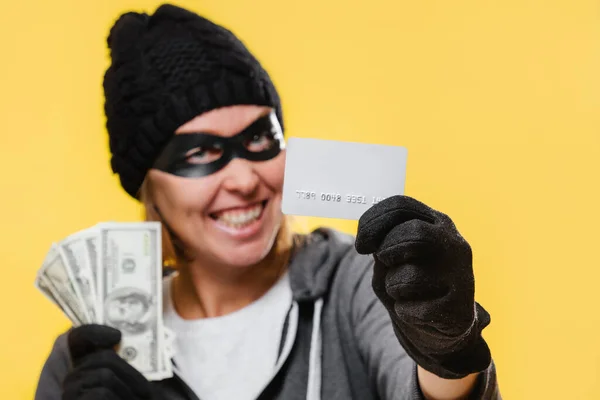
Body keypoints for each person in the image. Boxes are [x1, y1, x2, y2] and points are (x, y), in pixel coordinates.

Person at [34, 4, 501, 400]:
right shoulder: (91, 354)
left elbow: (431, 388)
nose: (243, 177)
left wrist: (447, 347)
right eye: (199, 153)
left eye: (259, 137)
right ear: (148, 187)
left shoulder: (357, 282)